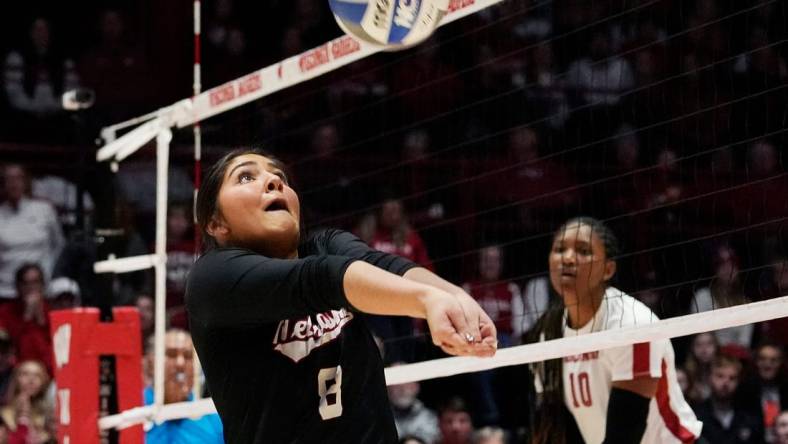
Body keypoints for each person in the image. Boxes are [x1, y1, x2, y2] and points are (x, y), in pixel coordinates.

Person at [186, 149, 497, 443]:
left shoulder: (326, 244)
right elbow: (323, 278)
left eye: (278, 174)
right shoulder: (212, 278)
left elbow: (386, 266)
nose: (274, 181)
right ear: (215, 223)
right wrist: (426, 301)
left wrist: (456, 298)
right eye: (245, 177)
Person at [528, 217, 702, 444]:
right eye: (560, 249)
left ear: (608, 269)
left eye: (583, 251)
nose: (568, 258)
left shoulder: (633, 325)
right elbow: (553, 420)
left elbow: (626, 430)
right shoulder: (548, 333)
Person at [144, 329, 223, 443]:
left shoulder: (214, 419)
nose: (180, 363)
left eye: (188, 356)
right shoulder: (134, 409)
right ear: (151, 364)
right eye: (170, 354)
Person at [0, 164, 64, 299]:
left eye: (18, 178)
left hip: (42, 288)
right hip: (6, 290)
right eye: (9, 179)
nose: (14, 184)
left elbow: (58, 245)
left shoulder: (44, 209)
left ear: (26, 182)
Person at [695, 355, 763, 444]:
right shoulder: (696, 416)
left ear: (738, 382)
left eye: (732, 378)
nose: (725, 382)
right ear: (709, 378)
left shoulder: (750, 416)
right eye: (720, 376)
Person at [738, 342, 788, 442]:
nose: (767, 364)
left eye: (773, 360)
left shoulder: (786, 389)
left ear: (781, 363)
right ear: (756, 361)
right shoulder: (744, 390)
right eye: (762, 359)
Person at [0, 360, 55, 444]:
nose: (31, 380)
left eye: (37, 375)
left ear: (44, 381)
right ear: (16, 378)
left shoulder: (48, 417)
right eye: (25, 374)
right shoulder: (3, 415)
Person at [387, 363, 440, 444]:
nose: (402, 389)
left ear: (416, 386)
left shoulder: (430, 418)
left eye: (406, 383)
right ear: (387, 388)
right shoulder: (380, 419)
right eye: (396, 384)